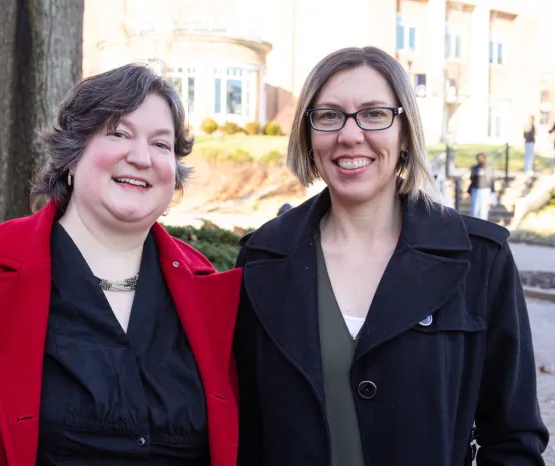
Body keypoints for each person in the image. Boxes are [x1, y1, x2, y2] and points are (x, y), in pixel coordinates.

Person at [0, 64, 243, 466]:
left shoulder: (211, 292)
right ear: (72, 156)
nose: (142, 157)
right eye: (119, 133)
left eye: (162, 144)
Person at [234, 46, 548, 466]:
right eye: (328, 115)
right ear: (308, 136)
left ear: (405, 134)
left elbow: (513, 437)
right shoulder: (261, 260)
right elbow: (245, 430)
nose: (349, 134)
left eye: (374, 113)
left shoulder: (480, 261)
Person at [467, 152, 496, 221]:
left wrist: (492, 191)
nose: (479, 160)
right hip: (475, 189)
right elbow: (471, 178)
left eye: (481, 158)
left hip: (485, 190)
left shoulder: (488, 168)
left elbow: (491, 180)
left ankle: (483, 222)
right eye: (478, 158)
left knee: (483, 209)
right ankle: (473, 222)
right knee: (475, 208)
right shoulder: (474, 168)